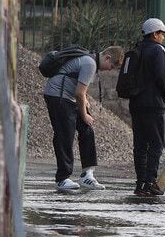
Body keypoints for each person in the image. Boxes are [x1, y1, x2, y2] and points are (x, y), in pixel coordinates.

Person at [43, 45, 119, 192]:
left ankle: (87, 174)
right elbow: (79, 93)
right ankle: (62, 178)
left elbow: (80, 91)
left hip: (68, 96)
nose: (110, 69)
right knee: (65, 135)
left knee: (87, 130)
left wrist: (84, 104)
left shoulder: (90, 61)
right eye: (112, 66)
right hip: (58, 96)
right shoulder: (90, 63)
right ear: (107, 57)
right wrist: (84, 114)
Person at [128, 17, 165, 197]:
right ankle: (150, 182)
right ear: (154, 34)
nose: (163, 37)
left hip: (136, 103)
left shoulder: (137, 49)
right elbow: (163, 77)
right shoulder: (158, 50)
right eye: (162, 33)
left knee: (140, 145)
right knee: (156, 144)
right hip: (153, 104)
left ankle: (140, 183)